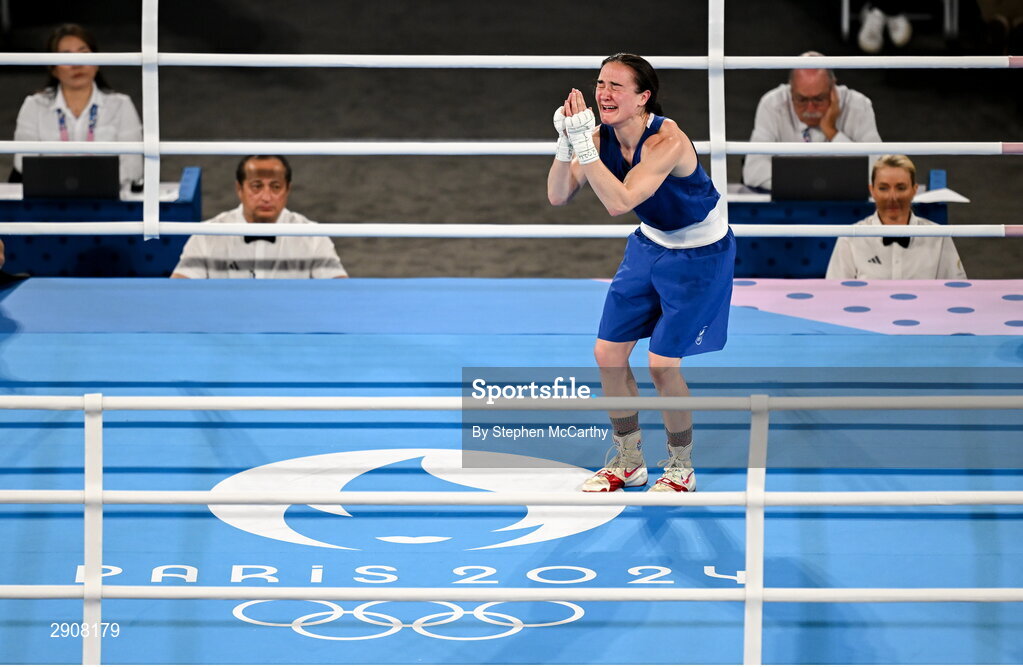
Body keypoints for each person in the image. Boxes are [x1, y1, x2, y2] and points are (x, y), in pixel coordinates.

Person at [547, 53, 734, 494]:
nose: (603, 93)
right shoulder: (597, 136)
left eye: (616, 86)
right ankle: (629, 460)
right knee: (608, 356)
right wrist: (563, 145)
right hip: (650, 245)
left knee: (663, 366)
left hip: (700, 256)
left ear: (643, 98)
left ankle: (681, 466)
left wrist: (586, 148)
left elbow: (619, 201)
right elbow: (558, 196)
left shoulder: (667, 142)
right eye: (600, 83)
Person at [171, 155, 347, 279]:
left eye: (275, 187)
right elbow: (178, 291)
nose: (266, 197)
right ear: (239, 189)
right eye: (257, 186)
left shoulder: (313, 237)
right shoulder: (206, 235)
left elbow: (341, 292)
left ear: (288, 190)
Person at [11, 23, 143, 187]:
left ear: (97, 62)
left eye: (84, 53)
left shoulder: (121, 105)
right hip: (50, 201)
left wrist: (86, 186)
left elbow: (133, 167)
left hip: (106, 202)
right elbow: (23, 163)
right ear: (53, 68)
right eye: (66, 56)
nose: (77, 63)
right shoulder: (34, 106)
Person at [741, 52, 881, 191]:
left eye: (818, 99)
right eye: (802, 100)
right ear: (791, 90)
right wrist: (815, 184)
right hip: (789, 205)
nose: (810, 108)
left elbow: (878, 173)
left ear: (833, 87)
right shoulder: (772, 105)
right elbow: (753, 171)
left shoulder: (859, 106)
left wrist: (833, 132)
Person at [826, 154, 966, 279]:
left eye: (900, 188)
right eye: (883, 188)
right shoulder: (850, 239)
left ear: (914, 190)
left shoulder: (938, 237)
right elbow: (834, 298)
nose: (892, 197)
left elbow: (956, 292)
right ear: (872, 191)